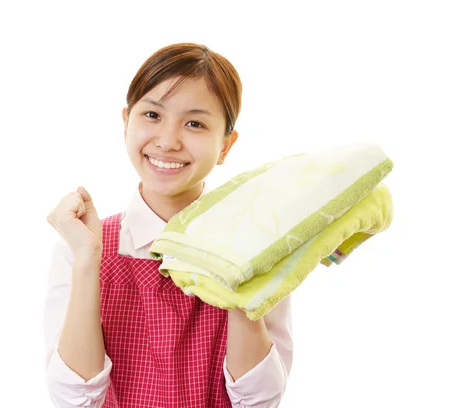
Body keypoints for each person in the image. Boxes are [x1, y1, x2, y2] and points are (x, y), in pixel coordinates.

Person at [44, 43, 293, 408]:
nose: (167, 140)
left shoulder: (257, 247)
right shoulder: (82, 247)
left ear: (226, 145)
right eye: (152, 115)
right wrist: (87, 261)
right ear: (126, 121)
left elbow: (258, 400)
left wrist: (242, 275)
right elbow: (74, 399)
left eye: (195, 123)